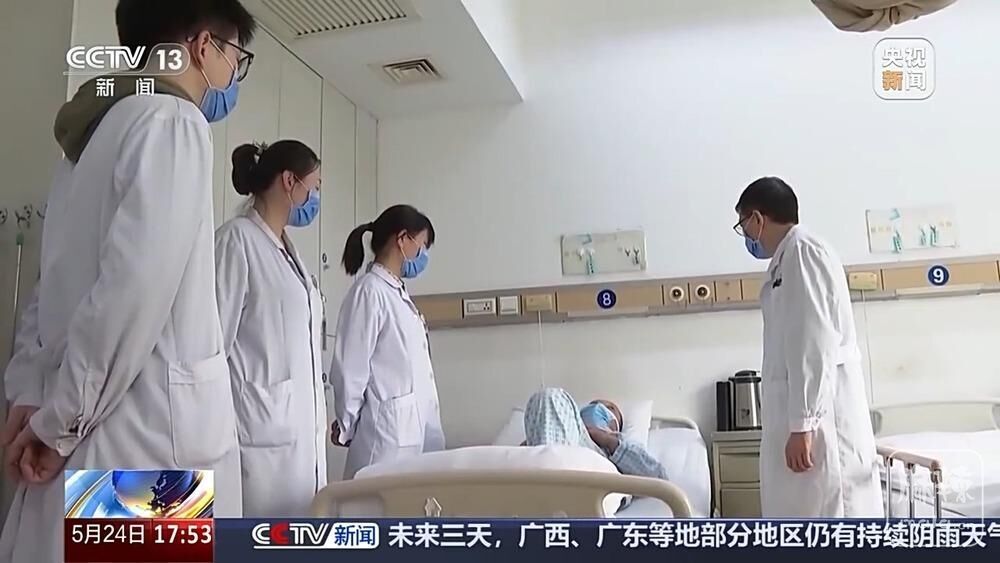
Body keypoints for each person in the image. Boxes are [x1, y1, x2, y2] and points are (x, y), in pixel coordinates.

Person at [0, 1, 257, 560]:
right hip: (145, 443)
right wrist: (59, 423)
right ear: (203, 46)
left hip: (82, 423)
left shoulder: (89, 141)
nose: (234, 75)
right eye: (236, 57)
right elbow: (131, 293)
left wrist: (31, 395)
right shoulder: (174, 122)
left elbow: (48, 291)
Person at [735, 176, 883, 518]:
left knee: (829, 516)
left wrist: (803, 424)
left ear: (757, 218)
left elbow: (813, 342)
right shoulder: (787, 260)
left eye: (743, 224)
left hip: (822, 421)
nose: (745, 235)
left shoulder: (804, 253)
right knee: (805, 516)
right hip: (807, 417)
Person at [214, 140, 326, 516]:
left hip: (297, 438)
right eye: (314, 186)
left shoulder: (289, 252)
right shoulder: (235, 241)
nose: (315, 198)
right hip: (259, 438)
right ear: (289, 181)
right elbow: (213, 346)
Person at [329, 204, 445, 479]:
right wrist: (346, 425)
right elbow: (351, 369)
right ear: (402, 239)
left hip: (409, 436)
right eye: (421, 246)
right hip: (384, 440)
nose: (423, 256)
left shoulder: (396, 295)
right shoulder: (369, 292)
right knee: (371, 503)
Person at [523, 388, 668, 480]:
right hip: (547, 468)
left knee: (550, 396)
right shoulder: (563, 427)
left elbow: (657, 476)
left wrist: (608, 440)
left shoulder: (623, 442)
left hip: (591, 471)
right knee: (544, 398)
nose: (596, 407)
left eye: (609, 408)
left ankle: (550, 483)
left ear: (615, 425)